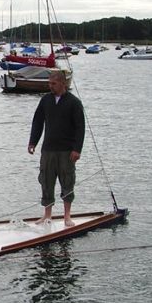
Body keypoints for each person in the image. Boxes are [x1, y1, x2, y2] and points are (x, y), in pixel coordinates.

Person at [27, 70, 85, 227]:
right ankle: (47, 215)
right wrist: (33, 142)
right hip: (48, 149)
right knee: (46, 180)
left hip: (67, 150)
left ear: (63, 83)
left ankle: (67, 216)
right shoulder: (45, 100)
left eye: (53, 84)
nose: (50, 86)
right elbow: (38, 122)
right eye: (49, 84)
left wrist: (77, 149)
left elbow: (80, 128)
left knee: (67, 180)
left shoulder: (74, 102)